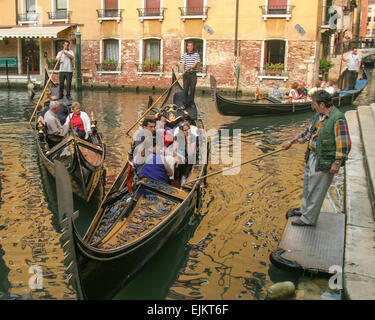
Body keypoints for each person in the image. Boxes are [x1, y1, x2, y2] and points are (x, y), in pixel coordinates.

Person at [282, 90, 351, 227]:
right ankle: (305, 210)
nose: (312, 106)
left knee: (317, 189)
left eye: (314, 104)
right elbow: (308, 132)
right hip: (312, 156)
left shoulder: (338, 119)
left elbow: (344, 143)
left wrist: (337, 163)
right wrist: (292, 142)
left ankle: (308, 219)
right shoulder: (318, 116)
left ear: (322, 104)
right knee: (308, 186)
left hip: (324, 159)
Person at [180, 41, 201, 107]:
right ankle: (185, 103)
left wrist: (190, 67)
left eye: (191, 46)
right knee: (185, 89)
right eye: (188, 46)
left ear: (193, 46)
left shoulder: (196, 55)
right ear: (187, 47)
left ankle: (191, 103)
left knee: (192, 89)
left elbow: (195, 64)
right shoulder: (184, 55)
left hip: (193, 74)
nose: (190, 47)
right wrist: (183, 71)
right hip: (186, 74)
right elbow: (183, 63)